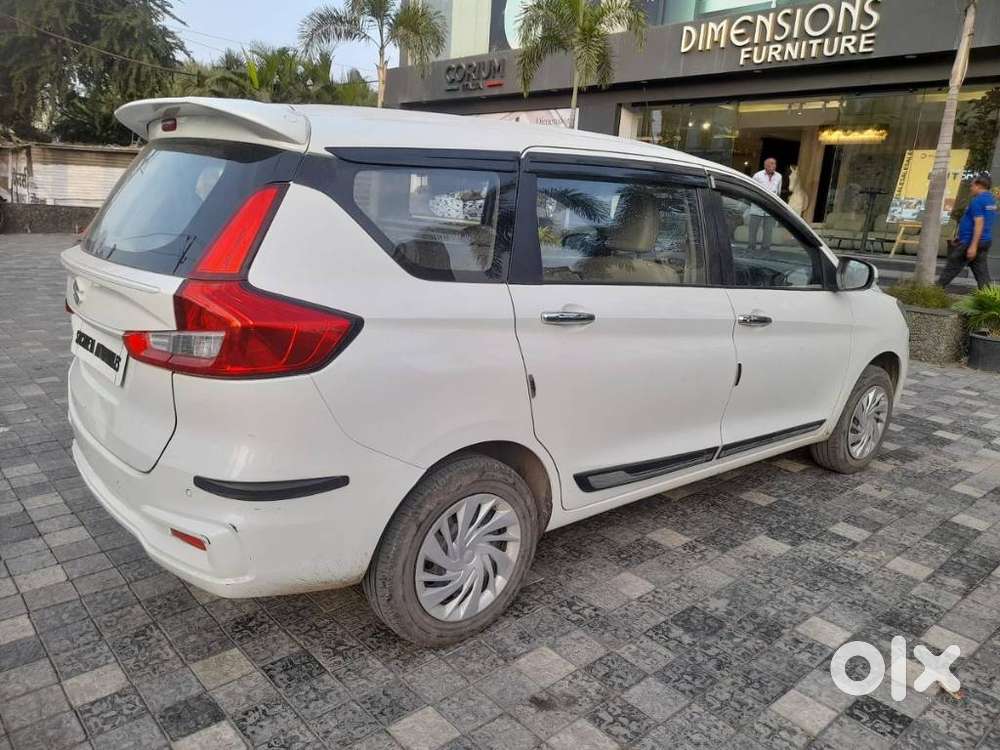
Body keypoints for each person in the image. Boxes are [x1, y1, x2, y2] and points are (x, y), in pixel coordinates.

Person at [938, 176, 997, 289]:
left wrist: (973, 246)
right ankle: (988, 295)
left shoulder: (977, 201)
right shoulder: (991, 200)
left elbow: (979, 223)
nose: (971, 188)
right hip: (984, 241)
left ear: (979, 186)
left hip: (970, 242)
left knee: (951, 267)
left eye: (972, 185)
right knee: (981, 272)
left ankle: (935, 291)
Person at [749, 158, 782, 252]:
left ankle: (765, 250)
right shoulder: (757, 175)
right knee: (753, 230)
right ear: (766, 165)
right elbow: (752, 190)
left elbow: (778, 192)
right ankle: (751, 249)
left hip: (770, 209)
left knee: (768, 231)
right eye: (771, 163)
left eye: (775, 164)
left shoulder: (779, 176)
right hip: (757, 208)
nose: (774, 165)